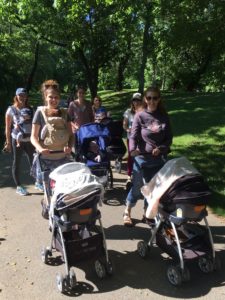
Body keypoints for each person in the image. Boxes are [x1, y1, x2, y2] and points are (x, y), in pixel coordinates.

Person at [123, 86, 173, 226]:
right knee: (138, 186)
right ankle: (127, 210)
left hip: (158, 159)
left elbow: (169, 138)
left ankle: (147, 212)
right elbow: (133, 136)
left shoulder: (163, 116)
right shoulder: (140, 115)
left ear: (159, 99)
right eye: (149, 98)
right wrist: (132, 150)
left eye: (155, 98)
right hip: (141, 159)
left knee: (152, 188)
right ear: (145, 99)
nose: (152, 101)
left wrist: (162, 148)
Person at [30, 80, 74, 189]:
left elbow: (71, 135)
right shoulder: (40, 113)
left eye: (56, 97)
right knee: (48, 190)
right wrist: (40, 149)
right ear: (45, 97)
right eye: (50, 97)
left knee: (63, 189)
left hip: (63, 158)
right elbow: (33, 137)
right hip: (46, 159)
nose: (53, 100)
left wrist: (69, 146)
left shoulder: (64, 113)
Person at [4, 88, 35, 196]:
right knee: (16, 162)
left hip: (29, 139)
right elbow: (7, 128)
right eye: (20, 95)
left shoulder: (30, 109)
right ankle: (19, 186)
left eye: (24, 95)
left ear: (26, 97)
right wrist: (8, 142)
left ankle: (38, 181)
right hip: (17, 139)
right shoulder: (11, 110)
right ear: (16, 96)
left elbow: (35, 125)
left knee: (34, 161)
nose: (22, 97)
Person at [123, 92, 143, 186]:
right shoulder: (128, 112)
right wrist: (127, 129)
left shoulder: (144, 111)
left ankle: (140, 175)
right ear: (132, 101)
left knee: (141, 156)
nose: (136, 102)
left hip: (142, 138)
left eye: (138, 100)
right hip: (130, 138)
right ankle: (129, 175)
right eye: (134, 100)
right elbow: (125, 124)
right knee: (131, 156)